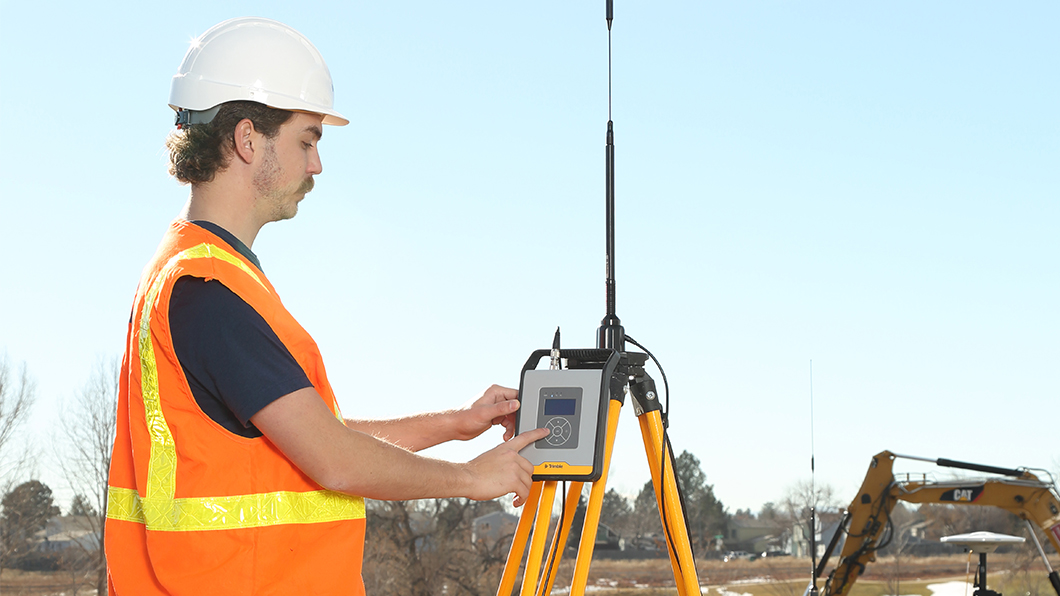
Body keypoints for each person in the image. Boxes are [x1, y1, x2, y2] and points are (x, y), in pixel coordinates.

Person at [104, 17, 548, 595]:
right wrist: (470, 477)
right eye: (307, 140)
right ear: (247, 139)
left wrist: (456, 425)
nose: (316, 165)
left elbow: (314, 435)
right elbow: (333, 458)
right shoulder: (208, 292)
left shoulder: (198, 273)